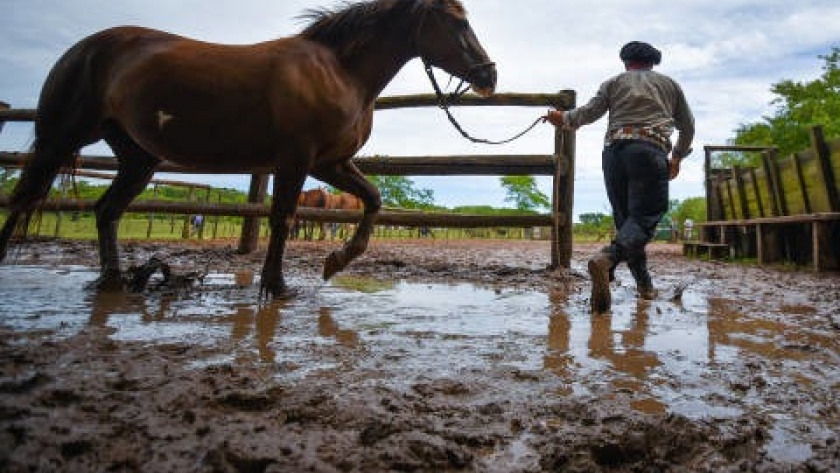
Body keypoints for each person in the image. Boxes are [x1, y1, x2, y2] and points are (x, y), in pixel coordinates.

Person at [545, 41, 694, 313]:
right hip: (649, 150)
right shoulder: (670, 86)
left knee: (627, 224)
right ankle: (607, 259)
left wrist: (563, 118)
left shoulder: (613, 83)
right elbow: (688, 126)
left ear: (625, 62)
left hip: (613, 153)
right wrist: (677, 157)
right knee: (646, 217)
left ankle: (644, 286)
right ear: (654, 62)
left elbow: (588, 113)